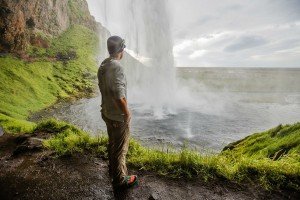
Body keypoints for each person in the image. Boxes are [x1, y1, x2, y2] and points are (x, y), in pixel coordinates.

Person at [97, 36, 138, 189]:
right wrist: (127, 114)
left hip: (107, 113)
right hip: (117, 117)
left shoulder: (103, 65)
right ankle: (120, 180)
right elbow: (119, 96)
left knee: (113, 144)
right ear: (121, 50)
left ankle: (113, 170)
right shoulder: (117, 67)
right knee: (121, 149)